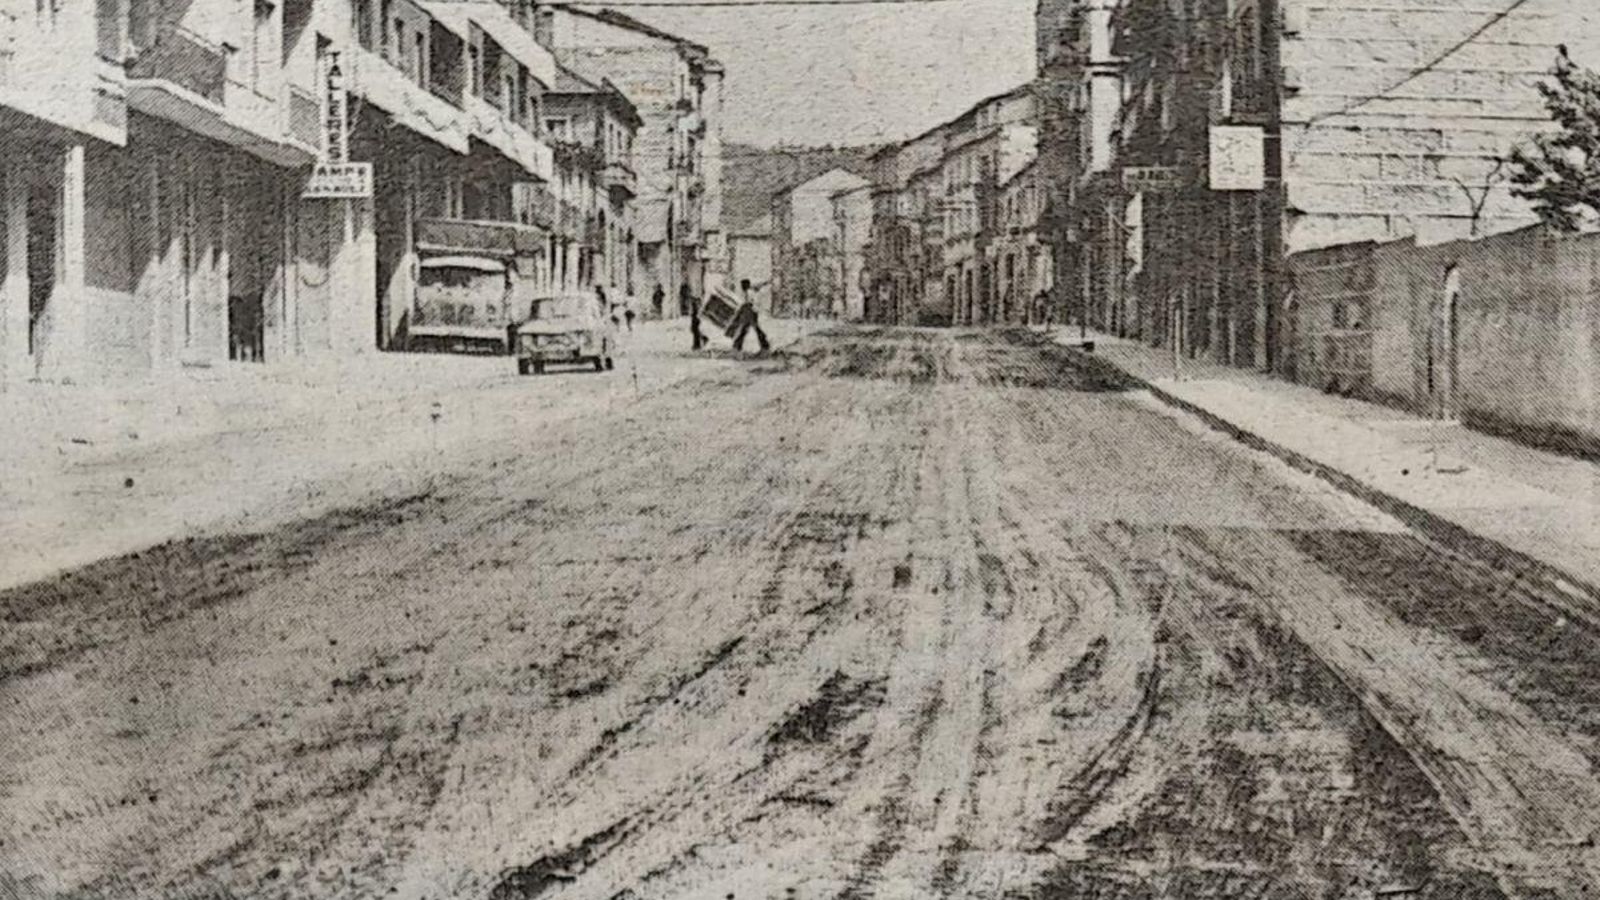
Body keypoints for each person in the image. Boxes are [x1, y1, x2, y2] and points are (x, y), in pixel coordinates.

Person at [731, 278, 770, 355]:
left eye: (743, 285)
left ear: (746, 285)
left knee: (748, 330)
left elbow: (751, 303)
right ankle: (765, 346)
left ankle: (737, 347)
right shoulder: (748, 292)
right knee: (748, 330)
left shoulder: (750, 293)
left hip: (750, 313)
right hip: (749, 313)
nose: (742, 287)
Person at [685, 285, 707, 350]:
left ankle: (697, 344)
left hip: (695, 317)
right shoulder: (693, 300)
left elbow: (696, 309)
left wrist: (696, 315)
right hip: (694, 317)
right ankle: (700, 342)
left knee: (694, 330)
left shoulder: (694, 300)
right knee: (694, 330)